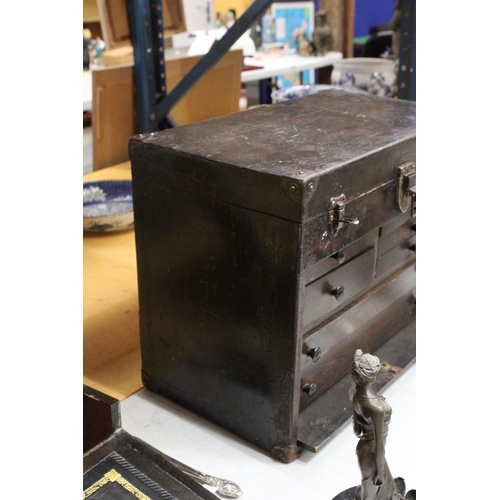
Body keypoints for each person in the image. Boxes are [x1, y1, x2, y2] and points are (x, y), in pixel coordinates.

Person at [351, 349, 395, 500]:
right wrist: (380, 472)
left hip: (364, 449)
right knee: (375, 492)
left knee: (382, 490)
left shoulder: (357, 396)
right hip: (373, 452)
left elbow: (357, 430)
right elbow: (379, 444)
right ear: (373, 376)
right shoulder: (376, 408)